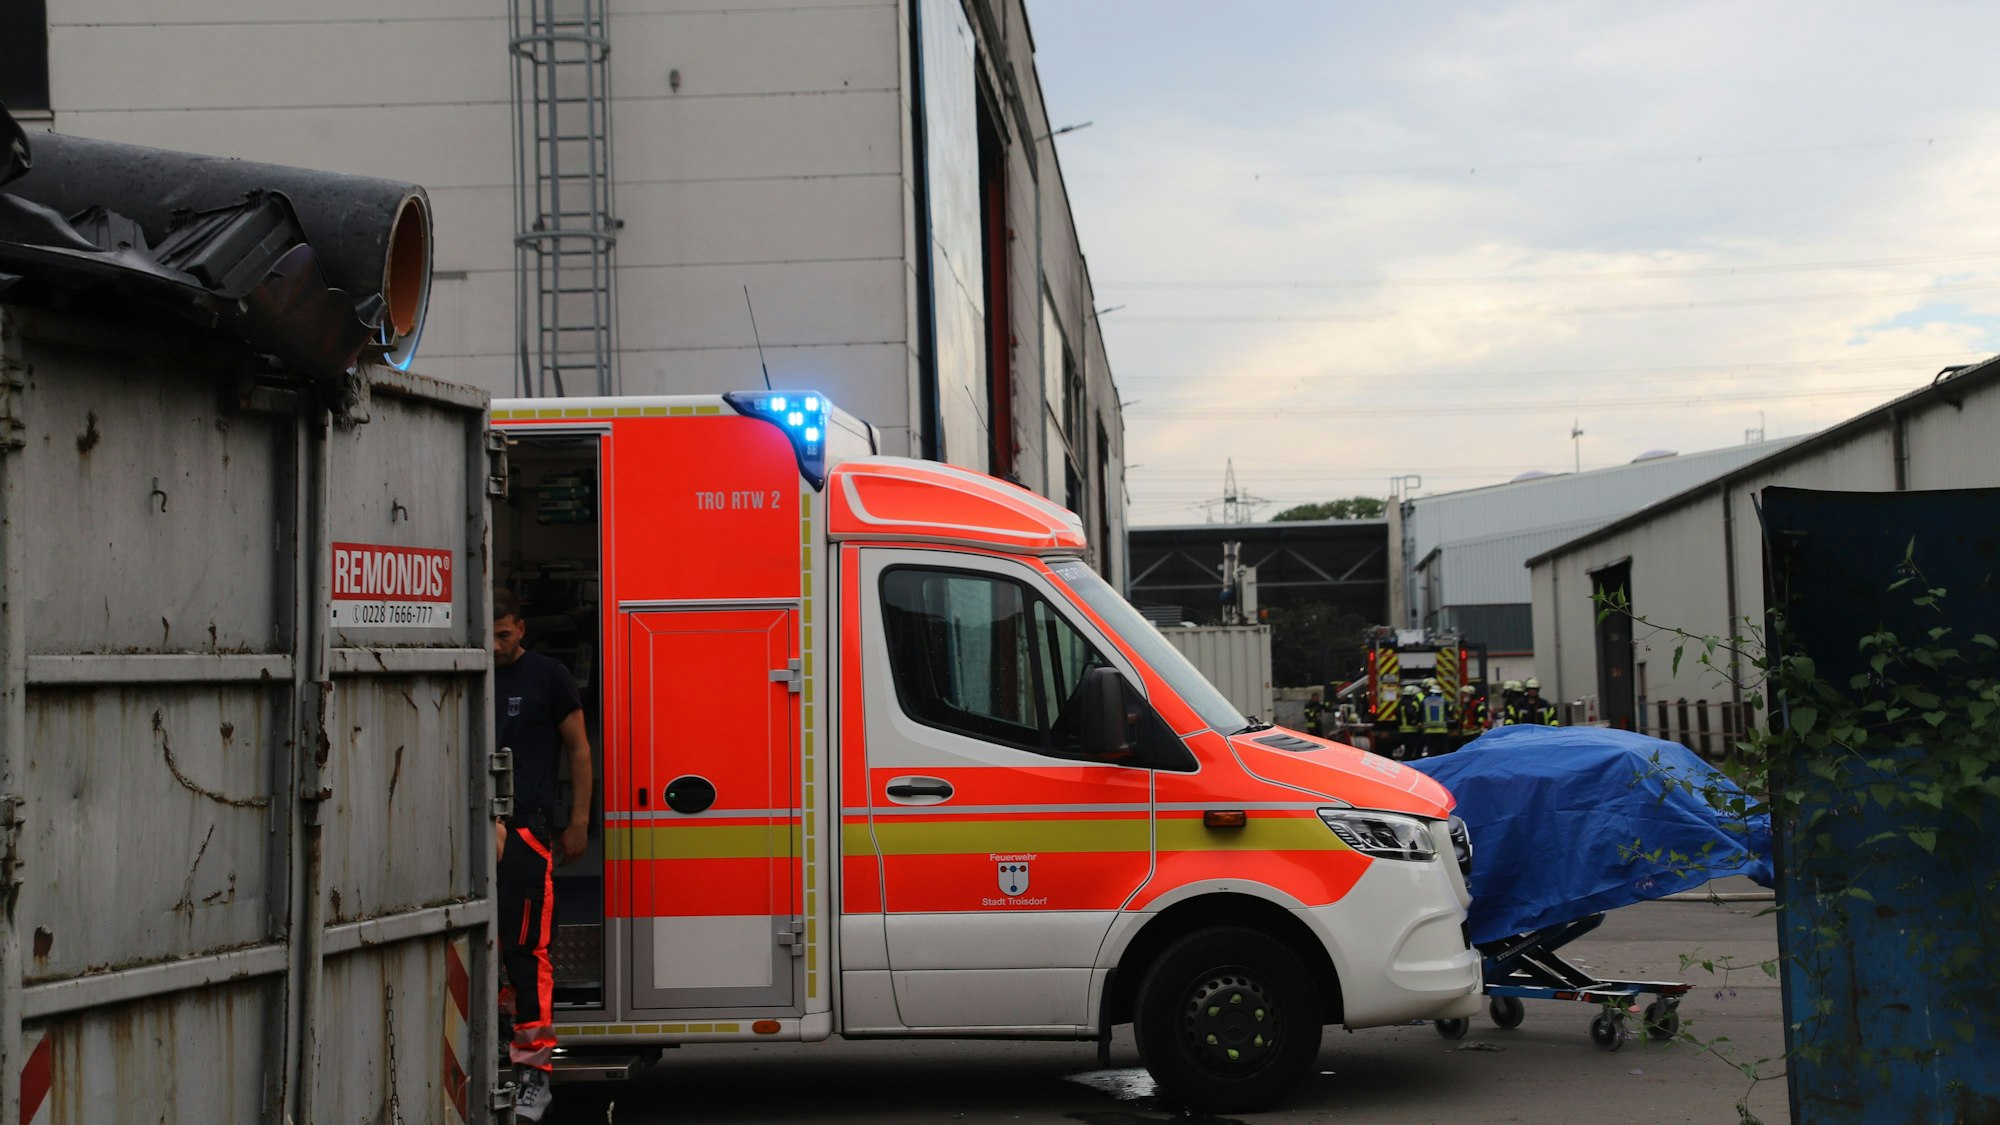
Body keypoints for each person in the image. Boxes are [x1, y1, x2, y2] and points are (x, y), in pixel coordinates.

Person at [493, 589, 593, 1122]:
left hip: (528, 835)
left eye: (504, 634)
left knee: (526, 955)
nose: (494, 646)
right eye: (487, 635)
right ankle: (490, 1059)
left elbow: (579, 749)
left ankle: (534, 1075)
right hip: (475, 834)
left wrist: (578, 823)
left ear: (522, 629)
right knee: (480, 952)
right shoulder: (468, 670)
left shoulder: (548, 677)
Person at [1419, 681, 1455, 758]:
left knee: (1432, 752)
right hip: (1442, 731)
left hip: (1428, 731)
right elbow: (1450, 714)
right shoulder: (1444, 701)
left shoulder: (1424, 701)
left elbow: (1419, 715)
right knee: (1443, 751)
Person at [1458, 683, 1488, 748]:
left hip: (1474, 734)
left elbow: (1483, 715)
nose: (1463, 696)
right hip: (1465, 734)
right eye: (1462, 694)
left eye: (1465, 694)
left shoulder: (1477, 705)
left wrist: (1477, 724)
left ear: (1471, 695)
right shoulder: (1465, 706)